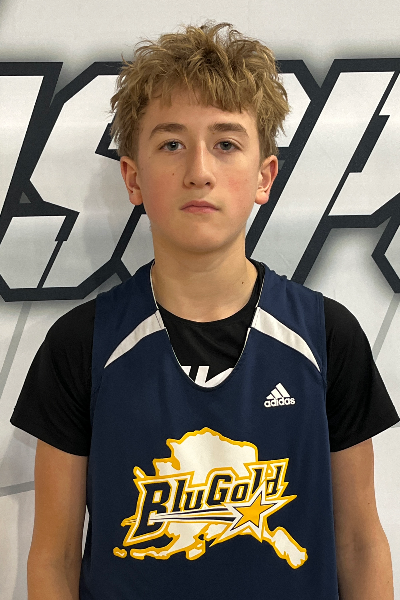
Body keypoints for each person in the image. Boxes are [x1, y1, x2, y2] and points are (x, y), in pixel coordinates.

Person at [10, 20, 399, 600]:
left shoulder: (325, 335)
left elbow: (361, 543)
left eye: (226, 144)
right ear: (133, 178)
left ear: (264, 176)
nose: (199, 171)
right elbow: (55, 557)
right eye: (172, 144)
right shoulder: (81, 344)